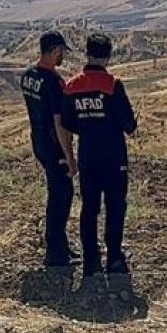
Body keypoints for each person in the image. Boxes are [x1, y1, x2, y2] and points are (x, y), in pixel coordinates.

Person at [60, 34, 138, 283]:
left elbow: (68, 122)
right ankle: (114, 257)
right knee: (115, 205)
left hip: (87, 155)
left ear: (87, 54)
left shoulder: (71, 86)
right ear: (108, 56)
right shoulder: (112, 84)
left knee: (89, 208)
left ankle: (90, 260)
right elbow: (129, 124)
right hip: (114, 156)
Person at [21, 31, 77, 268]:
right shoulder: (54, 83)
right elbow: (59, 122)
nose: (62, 56)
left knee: (60, 192)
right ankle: (55, 252)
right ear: (55, 51)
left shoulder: (28, 76)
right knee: (61, 196)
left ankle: (60, 245)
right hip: (54, 147)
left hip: (39, 143)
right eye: (62, 52)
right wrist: (70, 157)